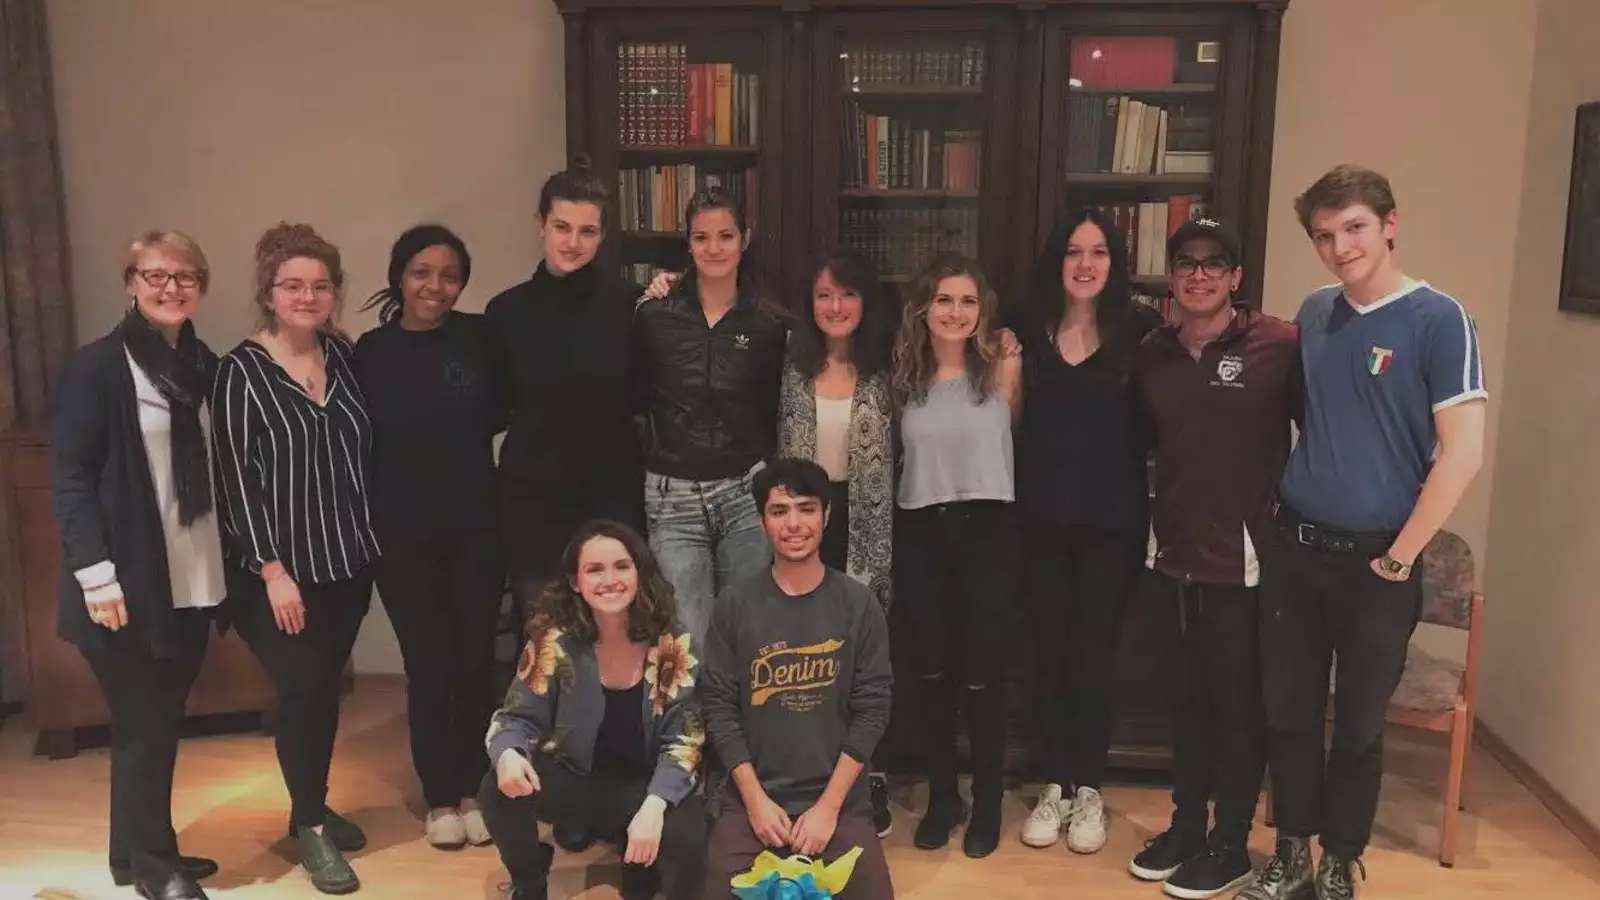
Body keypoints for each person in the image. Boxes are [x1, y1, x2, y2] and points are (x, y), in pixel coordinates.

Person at [1236, 165, 1486, 900]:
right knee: (1288, 711)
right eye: (1324, 235)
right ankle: (1290, 855)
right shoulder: (1315, 313)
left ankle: (1342, 859)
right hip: (1297, 550)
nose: (1340, 246)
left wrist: (1400, 557)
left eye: (1353, 228)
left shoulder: (1439, 319)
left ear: (1389, 224)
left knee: (1359, 725)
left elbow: (1462, 452)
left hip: (1379, 563)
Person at [51, 230, 225, 900]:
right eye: (156, 274)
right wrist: (96, 573)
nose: (171, 286)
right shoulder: (98, 368)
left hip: (190, 575)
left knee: (153, 722)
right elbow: (69, 478)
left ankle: (135, 852)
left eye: (186, 276)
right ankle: (157, 868)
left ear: (201, 287)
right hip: (124, 584)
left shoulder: (203, 366)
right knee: (145, 723)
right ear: (131, 280)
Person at [1128, 220, 1298, 899]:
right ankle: (1186, 828)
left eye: (1213, 264)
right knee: (1185, 706)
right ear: (1171, 278)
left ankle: (1230, 842)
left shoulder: (1279, 346)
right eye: (1185, 264)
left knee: (1236, 709)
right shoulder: (1152, 353)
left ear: (1235, 277)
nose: (1198, 275)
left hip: (1245, 567)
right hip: (1172, 558)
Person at [212, 223, 380, 895]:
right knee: (303, 691)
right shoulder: (240, 372)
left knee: (324, 690)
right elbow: (233, 481)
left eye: (319, 285)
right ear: (268, 293)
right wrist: (272, 571)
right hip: (277, 575)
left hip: (347, 563)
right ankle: (309, 826)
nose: (307, 296)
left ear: (335, 293)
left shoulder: (343, 357)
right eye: (293, 285)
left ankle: (311, 803)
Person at [1015, 209, 1159, 856]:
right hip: (1038, 522)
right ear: (1058, 259)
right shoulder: (1024, 330)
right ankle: (1054, 783)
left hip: (1114, 524)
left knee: (1095, 659)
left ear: (1115, 262)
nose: (1085, 263)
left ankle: (1090, 789)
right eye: (1073, 250)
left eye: (1098, 252)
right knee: (1049, 655)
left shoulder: (1142, 332)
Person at [354, 225, 503, 849]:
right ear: (399, 276)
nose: (435, 286)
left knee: (474, 661)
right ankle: (440, 795)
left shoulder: (480, 338)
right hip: (402, 534)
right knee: (428, 663)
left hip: (477, 525)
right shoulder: (369, 350)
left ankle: (475, 787)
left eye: (449, 274)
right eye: (421, 271)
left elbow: (509, 408)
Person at [479, 520, 707, 900]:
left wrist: (654, 806)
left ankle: (638, 861)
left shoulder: (673, 643)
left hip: (641, 787)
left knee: (689, 840)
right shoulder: (554, 639)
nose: (610, 580)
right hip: (575, 779)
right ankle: (529, 881)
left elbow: (684, 740)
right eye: (594, 569)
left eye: (622, 566)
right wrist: (507, 753)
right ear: (575, 582)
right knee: (496, 788)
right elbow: (515, 716)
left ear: (639, 573)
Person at [700, 458, 895, 899]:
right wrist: (754, 802)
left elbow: (872, 712)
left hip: (836, 803)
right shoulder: (734, 605)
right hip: (751, 802)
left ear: (826, 516)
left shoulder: (858, 605)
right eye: (779, 510)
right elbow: (718, 708)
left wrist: (828, 808)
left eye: (806, 509)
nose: (794, 524)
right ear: (761, 521)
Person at [892, 254, 1022, 859]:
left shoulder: (1003, 368)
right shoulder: (903, 379)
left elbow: (1020, 440)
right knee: (932, 676)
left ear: (982, 310)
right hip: (922, 528)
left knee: (984, 678)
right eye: (944, 300)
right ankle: (944, 798)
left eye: (968, 301)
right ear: (924, 308)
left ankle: (988, 801)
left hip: (988, 529)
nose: (955, 312)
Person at [486, 160, 644, 626]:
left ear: (602, 236)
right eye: (562, 227)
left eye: (587, 231)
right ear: (540, 224)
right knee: (545, 649)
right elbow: (494, 407)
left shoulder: (632, 306)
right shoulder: (506, 312)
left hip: (612, 499)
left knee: (615, 638)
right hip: (534, 503)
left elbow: (645, 399)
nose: (573, 243)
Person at [632, 186, 787, 646]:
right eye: (702, 237)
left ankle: (737, 722)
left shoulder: (767, 325)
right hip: (672, 495)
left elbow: (774, 405)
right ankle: (691, 723)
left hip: (743, 492)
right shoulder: (654, 315)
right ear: (688, 242)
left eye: (725, 235)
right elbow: (633, 397)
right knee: (688, 640)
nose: (714, 248)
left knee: (746, 634)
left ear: (745, 238)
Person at [776, 250, 897, 836]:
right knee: (809, 651)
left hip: (870, 523)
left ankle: (866, 777)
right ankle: (809, 775)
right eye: (824, 295)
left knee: (861, 656)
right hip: (804, 521)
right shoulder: (789, 365)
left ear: (865, 302)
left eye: (846, 294)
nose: (835, 306)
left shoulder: (889, 367)